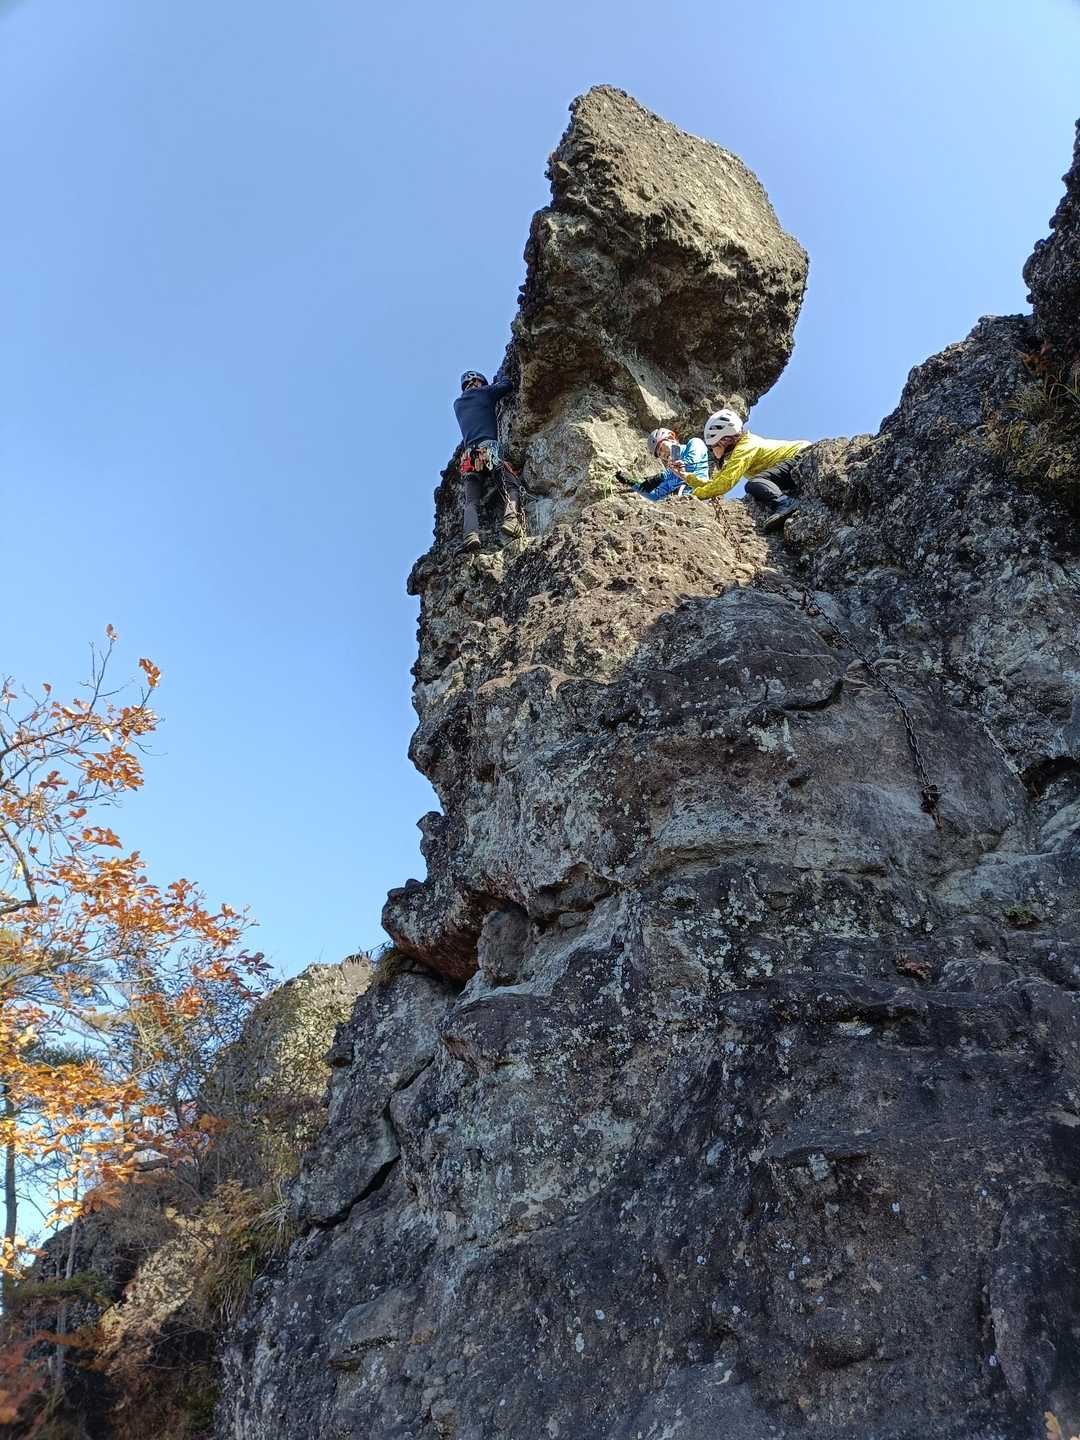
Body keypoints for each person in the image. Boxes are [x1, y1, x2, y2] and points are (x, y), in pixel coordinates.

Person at [692, 409, 810, 531]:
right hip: (795, 461)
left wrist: (694, 496)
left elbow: (725, 483)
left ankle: (785, 502)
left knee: (755, 483)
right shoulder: (742, 447)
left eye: (713, 446)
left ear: (725, 440)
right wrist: (687, 477)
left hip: (799, 456)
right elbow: (716, 483)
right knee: (757, 483)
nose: (712, 451)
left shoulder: (744, 448)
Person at [453, 368, 523, 552]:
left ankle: (470, 535)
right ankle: (511, 520)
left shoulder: (457, 404)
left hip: (469, 456)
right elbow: (507, 385)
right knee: (510, 484)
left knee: (471, 501)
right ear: (479, 382)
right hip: (488, 447)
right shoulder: (484, 392)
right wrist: (501, 376)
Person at [615, 427, 709, 501]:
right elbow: (655, 495)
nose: (663, 455)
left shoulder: (695, 443)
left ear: (671, 437)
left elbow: (690, 465)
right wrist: (632, 482)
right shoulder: (671, 474)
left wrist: (662, 476)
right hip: (683, 506)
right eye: (659, 454)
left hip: (700, 498)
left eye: (661, 448)